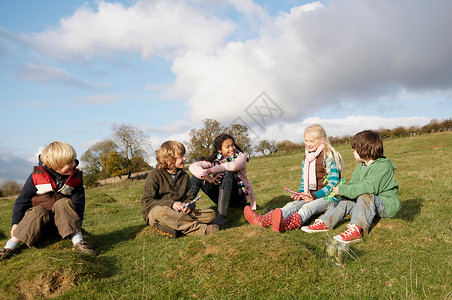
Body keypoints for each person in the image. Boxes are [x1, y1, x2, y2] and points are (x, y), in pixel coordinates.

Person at [0, 141, 95, 261]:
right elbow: (22, 200)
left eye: (74, 160)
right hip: (38, 226)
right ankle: (9, 247)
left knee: (63, 203)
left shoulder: (75, 178)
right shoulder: (36, 176)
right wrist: (15, 223)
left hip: (62, 226)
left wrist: (78, 222)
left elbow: (79, 202)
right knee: (38, 210)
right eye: (69, 162)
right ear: (55, 164)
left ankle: (78, 241)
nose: (73, 165)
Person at [301, 130, 400, 244]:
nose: (353, 152)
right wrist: (342, 193)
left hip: (385, 205)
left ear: (364, 150)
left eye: (355, 150)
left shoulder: (383, 167)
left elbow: (369, 187)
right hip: (366, 205)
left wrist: (345, 189)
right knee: (345, 201)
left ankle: (356, 229)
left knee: (365, 195)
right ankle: (325, 222)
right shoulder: (360, 168)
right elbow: (353, 186)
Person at [244, 124, 344, 233]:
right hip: (310, 195)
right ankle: (264, 220)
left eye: (312, 141)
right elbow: (303, 181)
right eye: (306, 141)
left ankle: (285, 224)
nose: (308, 144)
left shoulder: (330, 156)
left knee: (308, 208)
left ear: (323, 140)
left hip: (329, 198)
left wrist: (314, 196)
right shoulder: (306, 158)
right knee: (291, 205)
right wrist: (300, 193)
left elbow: (333, 184)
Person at [141, 141, 219, 238]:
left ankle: (172, 228)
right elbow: (146, 202)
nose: (185, 158)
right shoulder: (154, 174)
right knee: (161, 212)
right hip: (158, 212)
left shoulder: (184, 176)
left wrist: (188, 207)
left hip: (179, 213)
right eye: (181, 156)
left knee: (211, 215)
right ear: (168, 160)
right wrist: (171, 204)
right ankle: (201, 230)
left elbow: (189, 198)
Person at [189, 133, 255, 226]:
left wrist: (210, 170)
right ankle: (189, 207)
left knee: (227, 172)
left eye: (233, 145)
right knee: (197, 176)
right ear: (219, 150)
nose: (231, 148)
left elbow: (232, 166)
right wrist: (207, 177)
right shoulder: (213, 161)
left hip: (239, 198)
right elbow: (193, 167)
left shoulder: (240, 157)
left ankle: (222, 216)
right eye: (227, 147)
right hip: (220, 195)